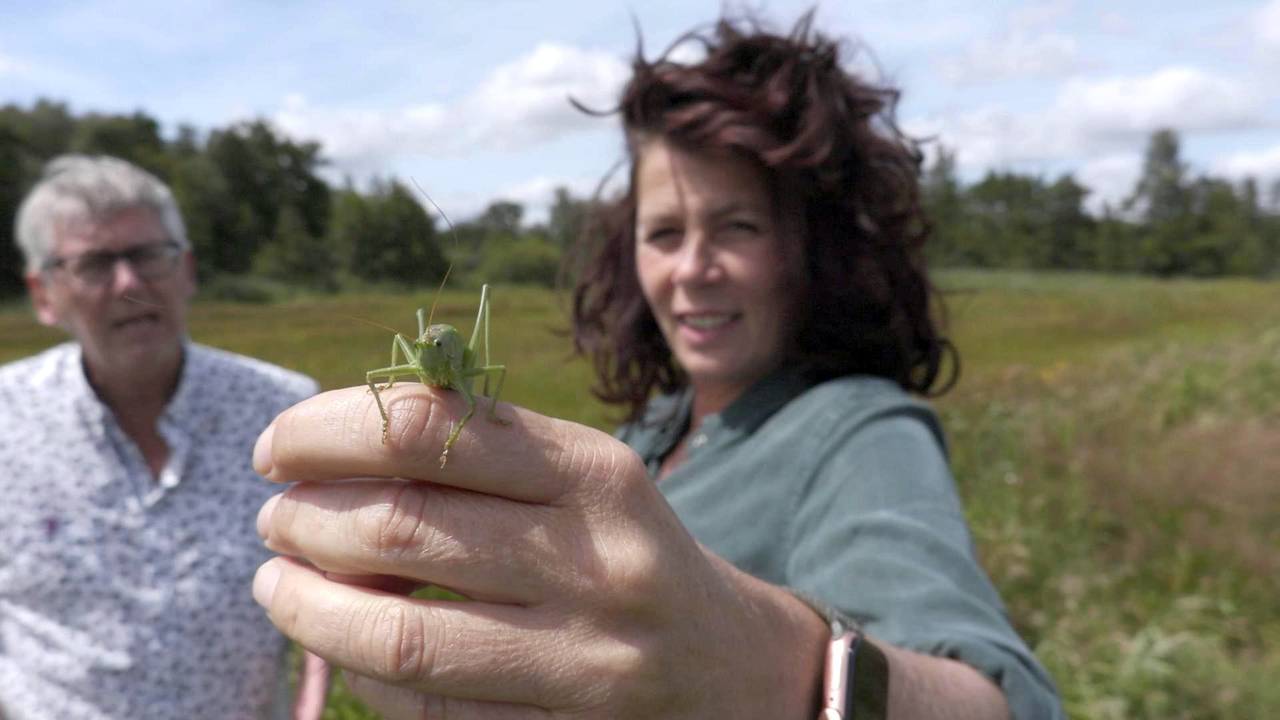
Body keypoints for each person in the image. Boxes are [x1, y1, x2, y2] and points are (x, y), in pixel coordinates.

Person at [251, 13, 1064, 719]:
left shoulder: (861, 429)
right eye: (666, 232)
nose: (693, 268)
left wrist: (781, 678)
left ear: (814, 249)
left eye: (738, 226)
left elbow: (1001, 702)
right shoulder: (653, 428)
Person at [0, 155, 323, 719]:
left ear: (188, 270)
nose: (129, 283)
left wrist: (310, 707)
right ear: (44, 293)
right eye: (94, 264)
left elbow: (325, 589)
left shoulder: (284, 408)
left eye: (149, 255)